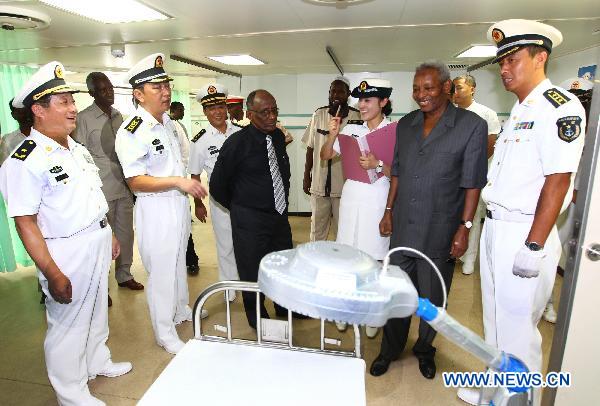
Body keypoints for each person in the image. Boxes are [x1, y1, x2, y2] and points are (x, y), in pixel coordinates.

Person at [458, 20, 586, 405]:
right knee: (495, 323)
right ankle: (494, 391)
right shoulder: (520, 110)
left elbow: (558, 181)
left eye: (512, 59)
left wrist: (533, 245)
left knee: (518, 329)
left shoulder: (559, 107)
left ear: (540, 57)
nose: (504, 68)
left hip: (525, 233)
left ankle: (519, 399)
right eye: (501, 62)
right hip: (496, 228)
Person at [0, 61, 132, 405]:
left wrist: (109, 233)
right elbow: (25, 222)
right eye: (63, 103)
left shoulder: (73, 147)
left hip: (96, 239)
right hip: (65, 250)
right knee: (67, 326)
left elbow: (91, 195)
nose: (73, 108)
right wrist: (52, 271)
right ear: (38, 111)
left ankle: (96, 361)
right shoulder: (24, 159)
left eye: (72, 100)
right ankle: (70, 393)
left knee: (95, 312)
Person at [371, 62, 488, 380]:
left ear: (447, 88)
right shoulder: (406, 124)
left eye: (428, 88)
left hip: (439, 230)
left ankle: (424, 349)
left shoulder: (471, 125)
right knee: (397, 294)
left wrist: (464, 229)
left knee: (432, 298)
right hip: (404, 227)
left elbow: (472, 183)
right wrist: (388, 210)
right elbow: (396, 171)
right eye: (416, 88)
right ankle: (390, 350)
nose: (421, 94)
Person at [115, 53, 208, 355]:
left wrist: (181, 187)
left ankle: (180, 310)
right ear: (139, 95)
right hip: (155, 207)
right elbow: (135, 181)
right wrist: (178, 182)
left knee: (178, 262)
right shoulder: (132, 131)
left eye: (166, 84)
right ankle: (164, 332)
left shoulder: (167, 123)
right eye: (156, 87)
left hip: (177, 204)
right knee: (161, 273)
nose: (166, 91)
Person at [210, 89, 299, 328]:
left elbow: (283, 174)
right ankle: (257, 316)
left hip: (279, 216)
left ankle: (284, 307)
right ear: (250, 114)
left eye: (274, 111)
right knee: (251, 270)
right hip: (249, 220)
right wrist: (242, 208)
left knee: (283, 265)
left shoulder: (278, 137)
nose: (271, 117)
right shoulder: (236, 144)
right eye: (264, 112)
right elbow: (217, 186)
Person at [320, 78, 395, 339]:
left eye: (368, 100)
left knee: (373, 258)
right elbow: (326, 155)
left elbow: (399, 173)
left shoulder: (395, 132)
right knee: (348, 257)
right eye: (360, 100)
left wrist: (377, 164)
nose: (361, 105)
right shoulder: (352, 130)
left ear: (383, 102)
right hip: (351, 197)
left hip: (377, 198)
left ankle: (373, 313)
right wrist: (332, 135)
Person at [74, 72, 143, 291]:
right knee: (102, 238)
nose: (109, 93)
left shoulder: (119, 116)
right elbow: (79, 155)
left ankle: (124, 275)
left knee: (125, 234)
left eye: (110, 88)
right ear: (92, 93)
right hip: (101, 189)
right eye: (103, 90)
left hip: (124, 186)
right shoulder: (83, 119)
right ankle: (102, 285)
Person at [188, 84, 241, 301]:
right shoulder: (200, 142)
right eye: (211, 108)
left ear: (226, 107)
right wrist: (198, 204)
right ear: (205, 112)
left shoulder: (241, 133)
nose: (217, 112)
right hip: (220, 202)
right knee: (226, 244)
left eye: (220, 106)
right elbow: (194, 175)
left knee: (247, 243)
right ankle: (229, 287)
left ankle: (248, 283)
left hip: (246, 199)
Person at [453, 74, 502, 275]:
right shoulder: (449, 113)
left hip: (476, 172)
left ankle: (469, 258)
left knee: (472, 215)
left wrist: (471, 167)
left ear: (472, 88)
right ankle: (453, 252)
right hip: (452, 173)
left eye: (459, 88)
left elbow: (490, 145)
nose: (455, 93)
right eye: (453, 89)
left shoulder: (486, 113)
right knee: (453, 214)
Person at [302, 76, 360, 242]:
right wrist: (307, 177)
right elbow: (310, 147)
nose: (336, 94)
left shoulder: (357, 118)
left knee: (343, 232)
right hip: (319, 184)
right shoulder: (319, 114)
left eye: (340, 91)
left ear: (348, 94)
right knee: (317, 231)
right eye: (332, 90)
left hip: (344, 186)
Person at [169, 101, 200, 276]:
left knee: (185, 228)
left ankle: (191, 260)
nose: (182, 112)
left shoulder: (176, 127)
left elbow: (186, 155)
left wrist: (181, 177)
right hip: (157, 194)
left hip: (179, 187)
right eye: (180, 110)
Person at [226, 94, 294, 144]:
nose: (228, 110)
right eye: (227, 107)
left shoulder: (254, 117)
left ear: (240, 106)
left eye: (231, 107)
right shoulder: (230, 122)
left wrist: (274, 150)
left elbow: (288, 138)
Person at [0, 99, 33, 165]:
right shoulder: (8, 140)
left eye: (27, 110)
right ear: (13, 115)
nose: (26, 114)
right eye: (20, 111)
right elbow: (5, 168)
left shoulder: (46, 133)